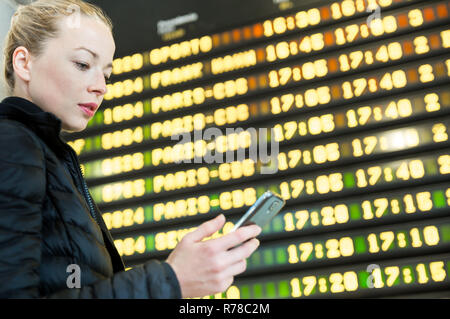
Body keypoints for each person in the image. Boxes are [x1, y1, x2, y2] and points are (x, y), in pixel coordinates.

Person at [0, 0, 261, 299]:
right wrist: (171, 281)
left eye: (107, 74)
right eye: (83, 64)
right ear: (24, 63)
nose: (101, 87)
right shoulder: (13, 144)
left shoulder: (51, 158)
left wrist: (173, 280)